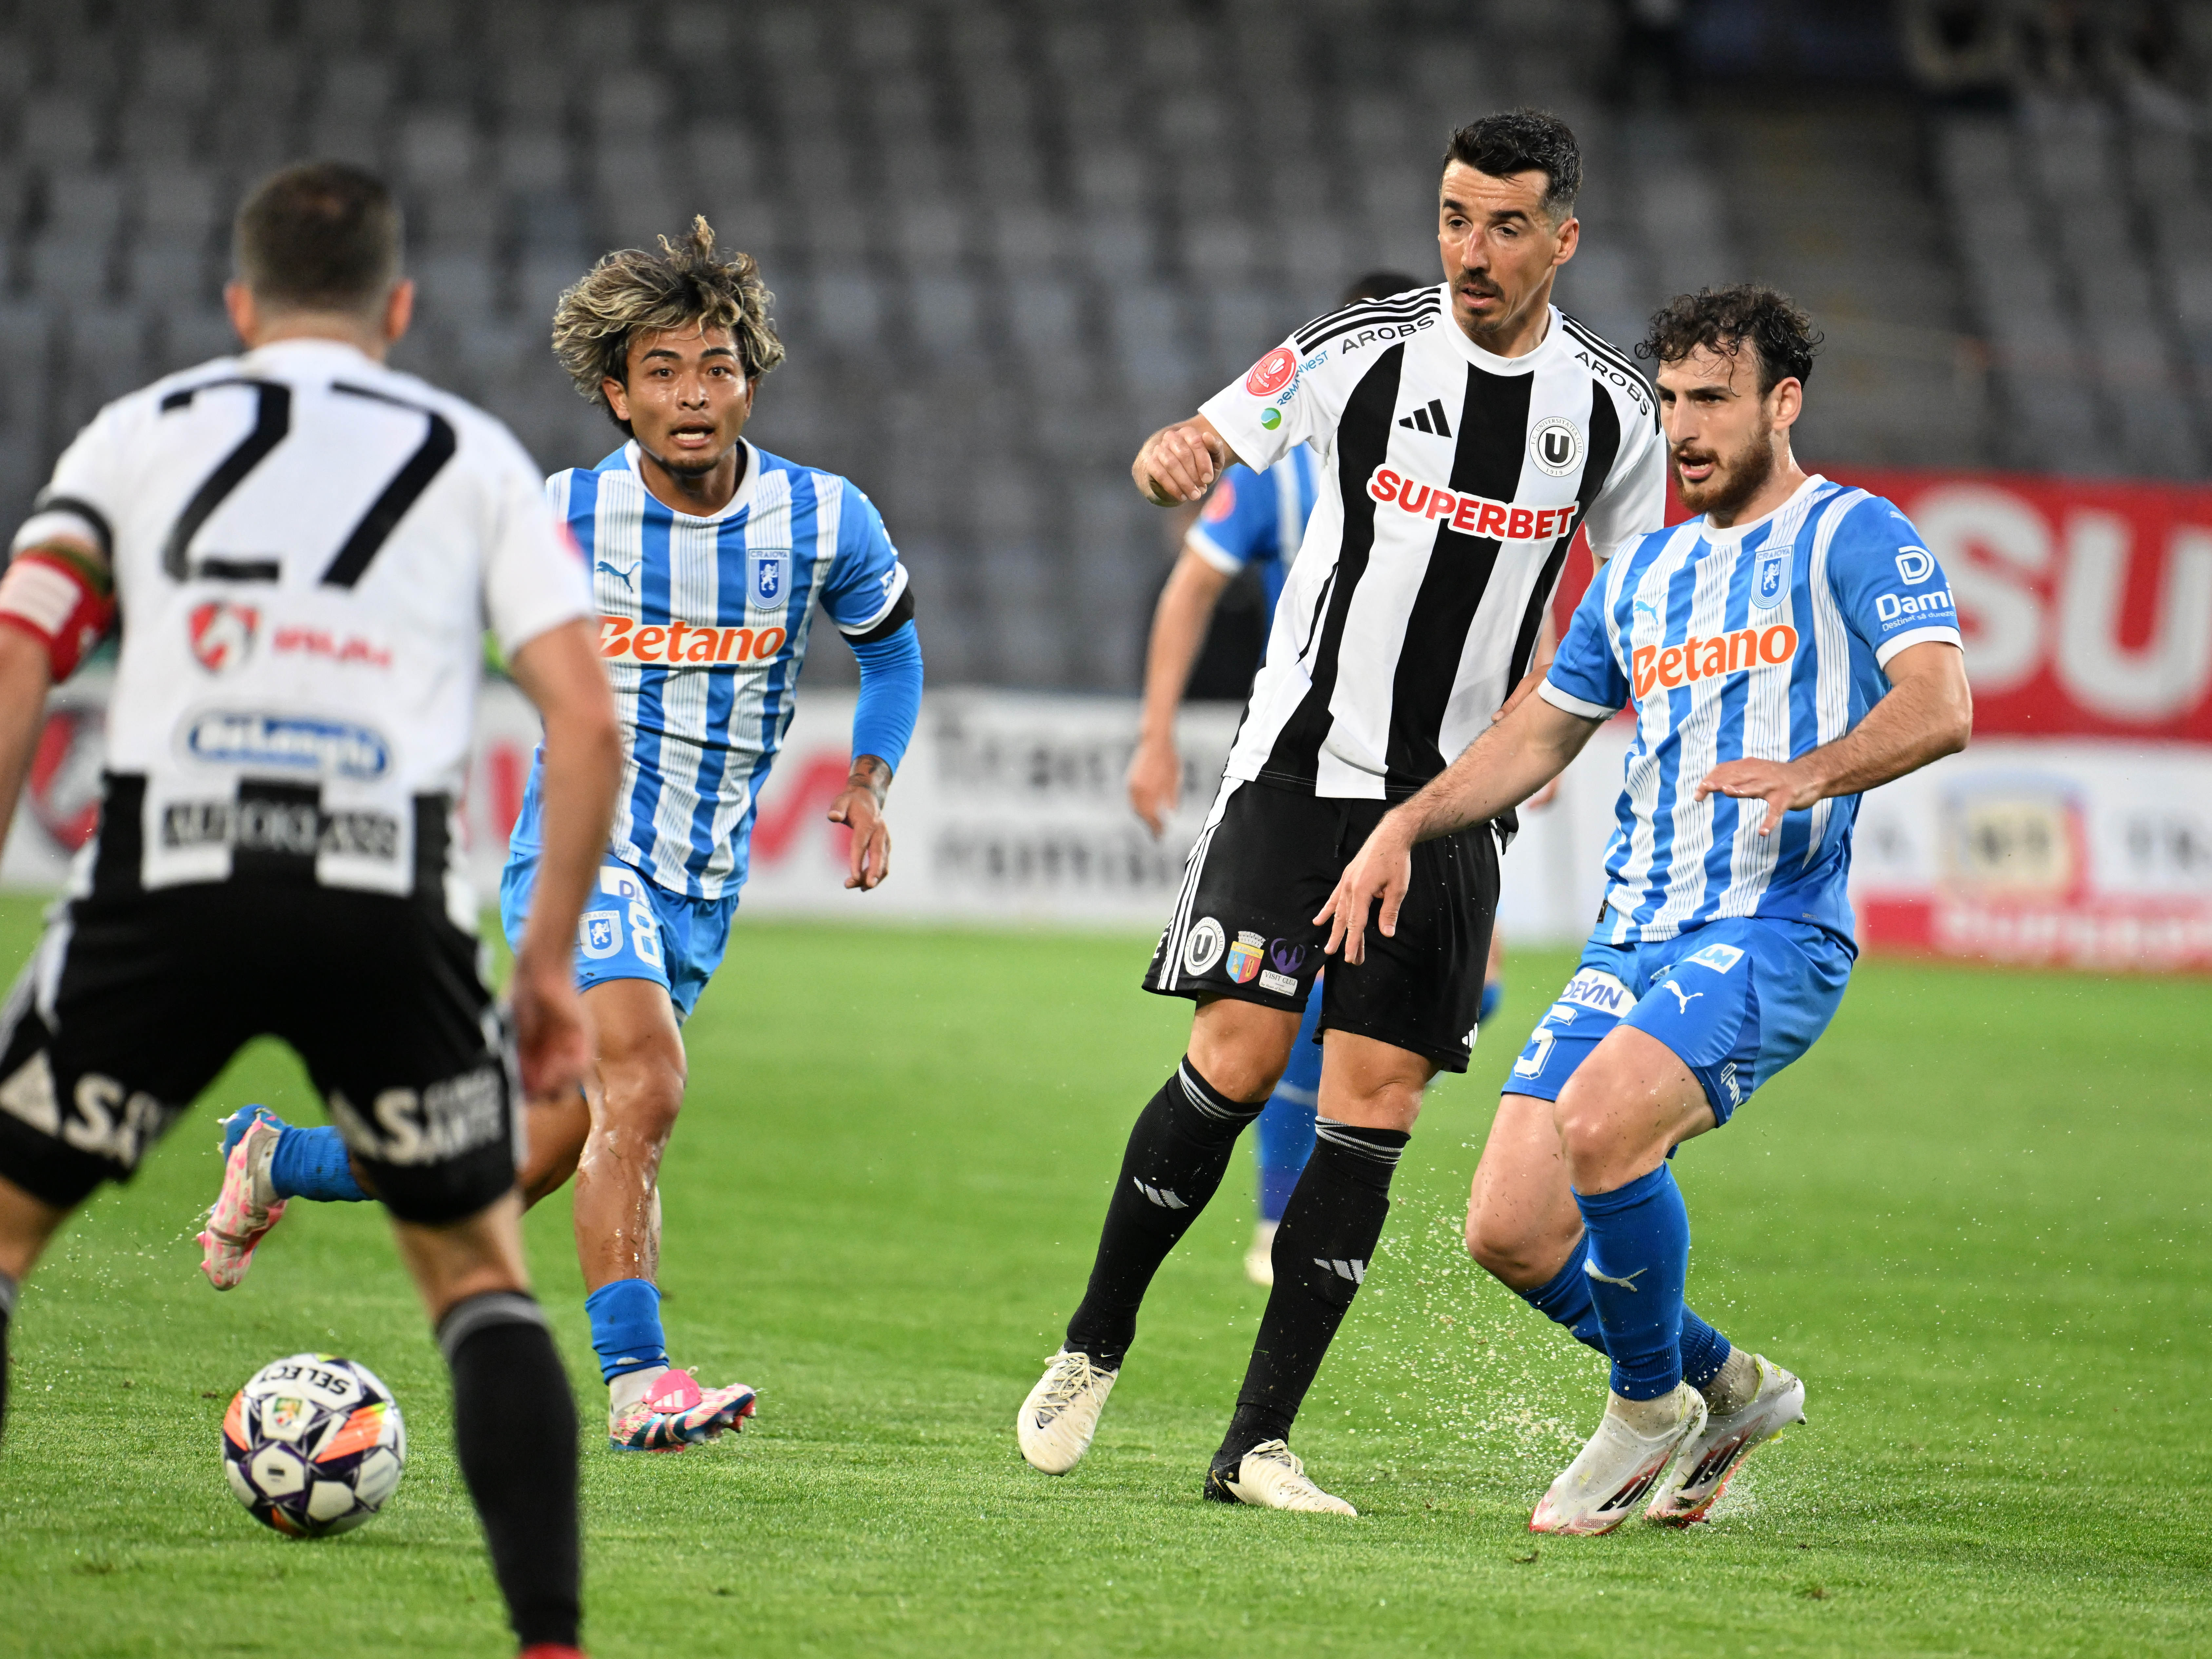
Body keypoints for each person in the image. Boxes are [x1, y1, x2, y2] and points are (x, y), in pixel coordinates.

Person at [0, 162, 616, 1659]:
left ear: (237, 305)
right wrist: (541, 973)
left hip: (170, 877)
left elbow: (24, 651)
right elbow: (584, 723)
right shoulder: (470, 458)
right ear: (397, 309)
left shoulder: (138, 434)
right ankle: (550, 1644)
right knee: (477, 1278)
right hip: (379, 896)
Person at [1018, 109, 1665, 1514]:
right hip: (1298, 771)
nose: (1469, 251)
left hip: (1444, 810)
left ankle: (1254, 1444)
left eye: (1502, 226)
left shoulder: (1612, 409)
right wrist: (1170, 455)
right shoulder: (1358, 349)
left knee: (1371, 1111)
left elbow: (1635, 592)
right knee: (1237, 1061)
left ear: (1563, 238)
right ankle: (1094, 1341)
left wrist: (1565, 724)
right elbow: (1203, 433)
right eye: (1450, 217)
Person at [198, 218, 925, 1455]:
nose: (694, 395)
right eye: (662, 371)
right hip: (581, 857)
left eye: (717, 367)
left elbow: (893, 650)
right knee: (644, 1083)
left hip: (702, 882)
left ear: (752, 378)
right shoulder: (557, 515)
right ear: (616, 392)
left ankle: (278, 1159)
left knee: (512, 1161)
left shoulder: (824, 518)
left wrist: (868, 777)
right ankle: (641, 1382)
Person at [1316, 284, 1973, 1534]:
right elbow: (1538, 738)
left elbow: (1941, 705)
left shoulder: (1855, 535)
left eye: (1713, 399)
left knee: (1606, 1122)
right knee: (1508, 1228)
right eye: (1670, 400)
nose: (1683, 426)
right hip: (1635, 935)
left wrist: (1814, 770)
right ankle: (1729, 1386)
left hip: (1773, 929)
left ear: (1785, 404)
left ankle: (1645, 1410)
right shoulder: (1645, 574)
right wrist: (1404, 822)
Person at [1128, 270, 1472, 1290]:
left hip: (1440, 769)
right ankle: (1285, 1219)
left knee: (1457, 992)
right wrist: (1155, 736)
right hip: (1311, 765)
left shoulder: (1473, 475)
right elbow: (1192, 585)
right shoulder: (1281, 475)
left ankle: (1305, 1198)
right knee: (1296, 996)